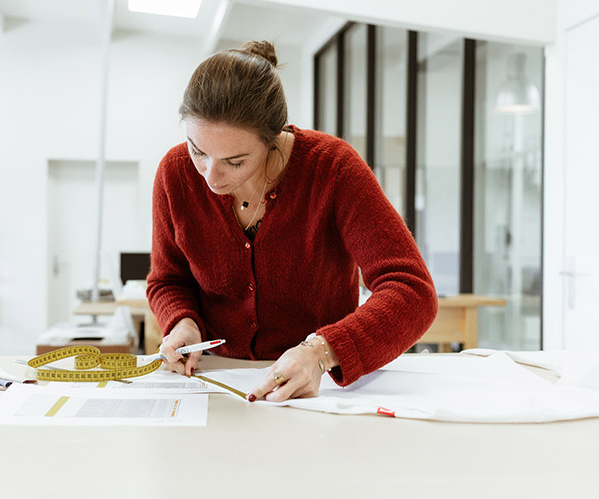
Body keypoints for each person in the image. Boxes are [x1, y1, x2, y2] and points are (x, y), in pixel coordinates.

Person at [146, 40, 437, 403]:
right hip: (215, 384)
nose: (211, 177)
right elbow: (167, 279)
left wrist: (320, 352)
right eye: (198, 151)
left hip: (320, 388)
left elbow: (412, 291)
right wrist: (182, 322)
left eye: (235, 161)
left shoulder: (333, 169)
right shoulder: (174, 174)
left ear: (273, 139)